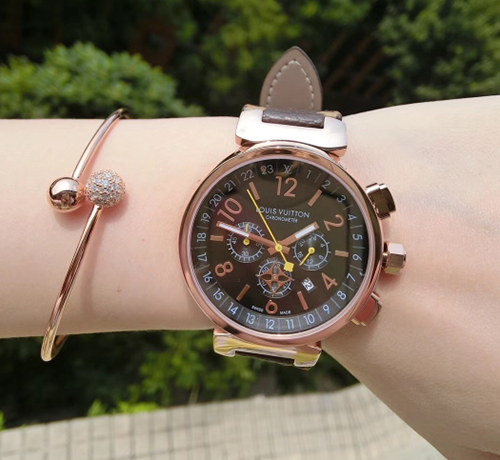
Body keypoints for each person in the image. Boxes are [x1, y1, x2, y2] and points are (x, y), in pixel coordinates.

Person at [0, 96, 499, 460]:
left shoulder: (344, 259)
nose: (280, 250)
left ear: (384, 256)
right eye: (274, 245)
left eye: (290, 248)